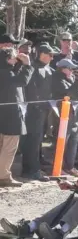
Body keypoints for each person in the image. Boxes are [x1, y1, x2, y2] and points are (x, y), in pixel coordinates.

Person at [21, 43, 55, 182]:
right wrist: (36, 105)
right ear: (40, 53)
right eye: (49, 54)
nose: (51, 58)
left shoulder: (48, 68)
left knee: (38, 140)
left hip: (45, 108)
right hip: (33, 109)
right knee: (32, 140)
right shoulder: (33, 67)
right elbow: (30, 89)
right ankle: (31, 170)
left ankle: (35, 166)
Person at [51, 58, 78, 177]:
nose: (72, 71)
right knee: (62, 141)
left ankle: (70, 167)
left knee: (73, 141)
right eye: (70, 69)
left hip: (74, 114)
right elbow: (68, 94)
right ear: (63, 69)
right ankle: (59, 166)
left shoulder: (72, 79)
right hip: (62, 115)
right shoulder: (57, 79)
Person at [0, 48, 33, 187]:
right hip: (11, 116)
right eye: (14, 57)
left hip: (4, 115)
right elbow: (22, 81)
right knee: (9, 148)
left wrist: (19, 64)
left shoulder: (5, 71)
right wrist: (28, 65)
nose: (16, 59)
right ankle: (3, 176)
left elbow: (14, 75)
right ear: (8, 59)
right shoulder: (6, 73)